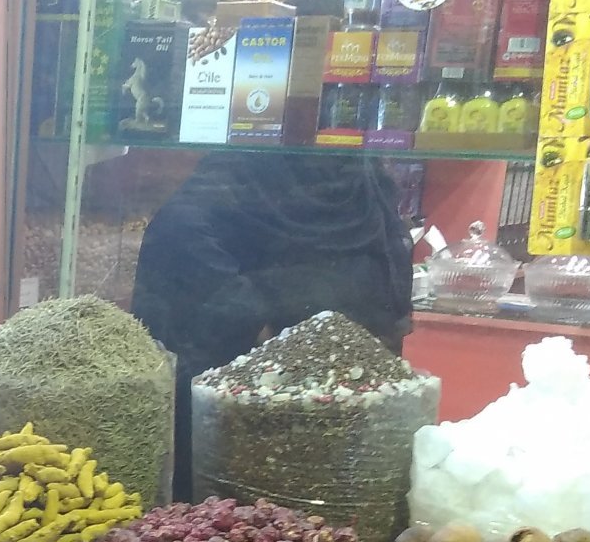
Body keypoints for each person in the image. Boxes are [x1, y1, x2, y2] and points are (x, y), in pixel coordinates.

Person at [130, 151, 416, 496]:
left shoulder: (350, 186)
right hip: (259, 405)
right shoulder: (237, 189)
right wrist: (253, 314)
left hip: (308, 400)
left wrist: (261, 317)